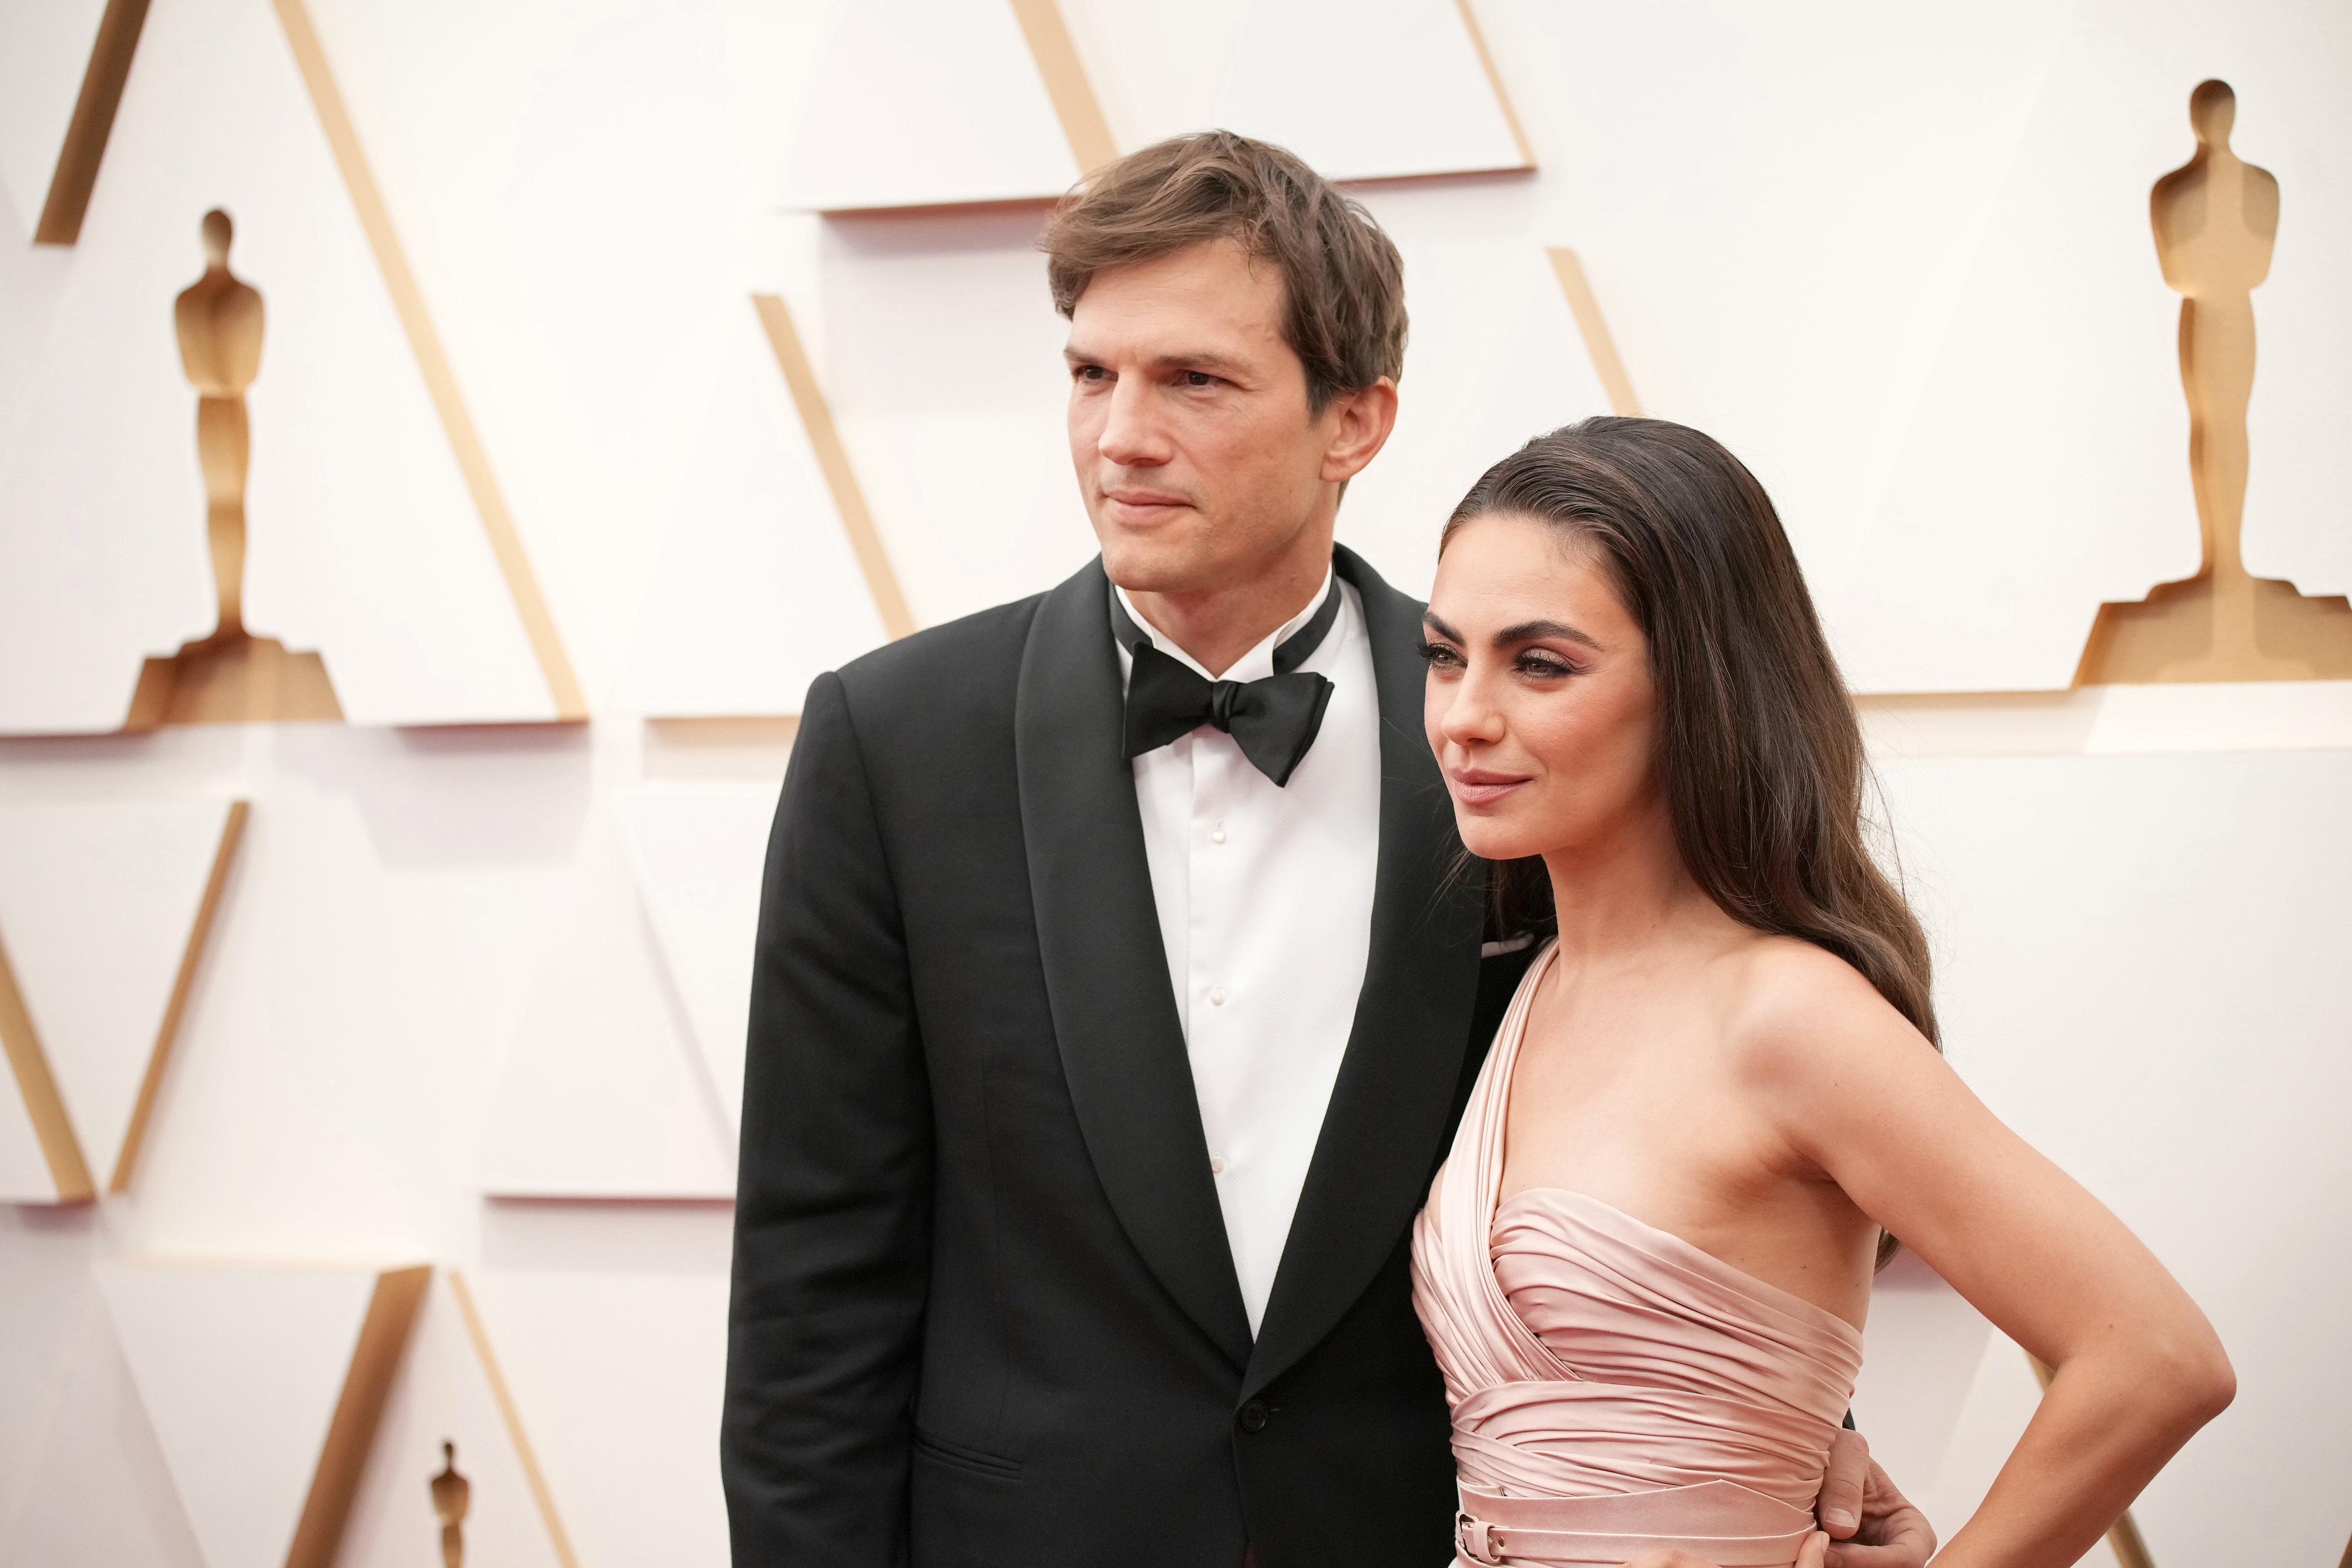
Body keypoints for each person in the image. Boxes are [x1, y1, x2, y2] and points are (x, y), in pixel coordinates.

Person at [722, 132, 1926, 1567]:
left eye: (1194, 380)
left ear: (1352, 421)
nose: (1120, 435)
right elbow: (815, 1287)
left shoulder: (1525, 726)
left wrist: (1785, 1431)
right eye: (1090, 372)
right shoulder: (893, 738)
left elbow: (1716, 1113)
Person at [1412, 419, 2236, 1567]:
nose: (1462, 715)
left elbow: (2153, 1352)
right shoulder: (1528, 984)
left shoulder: (1787, 1016)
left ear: (1696, 686)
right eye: (1443, 654)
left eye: (1538, 662)